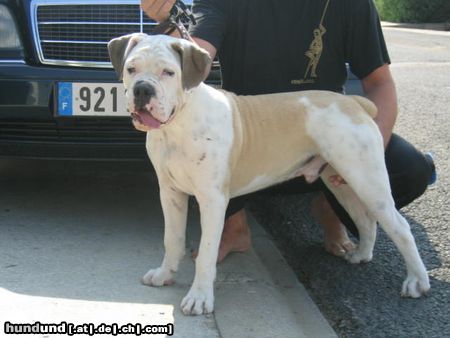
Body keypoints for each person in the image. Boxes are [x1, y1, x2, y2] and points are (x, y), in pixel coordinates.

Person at [140, 0, 436, 261]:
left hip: (324, 143)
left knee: (410, 170)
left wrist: (368, 156)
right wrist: (169, 24)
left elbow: (380, 82)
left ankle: (330, 206)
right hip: (251, 148)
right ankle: (235, 226)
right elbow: (197, 60)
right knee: (208, 144)